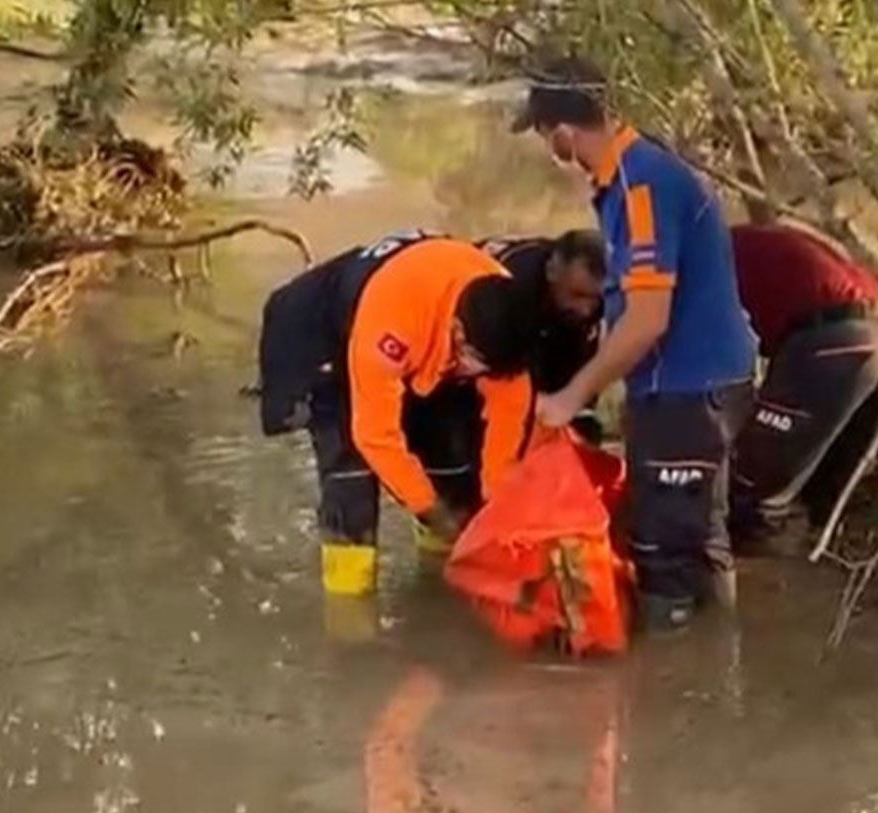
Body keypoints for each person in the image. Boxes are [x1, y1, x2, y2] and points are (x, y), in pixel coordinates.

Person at [512, 56, 758, 633]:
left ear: (565, 132)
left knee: (664, 555)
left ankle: (675, 701)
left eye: (547, 134)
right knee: (700, 540)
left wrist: (574, 395)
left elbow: (648, 318)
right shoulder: (633, 175)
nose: (550, 146)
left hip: (689, 388)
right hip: (694, 384)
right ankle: (721, 687)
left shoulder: (639, 184)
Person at [258, 230, 537, 597]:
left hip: (427, 336)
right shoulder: (393, 321)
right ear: (458, 334)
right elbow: (376, 435)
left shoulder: (507, 327)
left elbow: (504, 442)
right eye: (478, 366)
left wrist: (498, 524)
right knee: (351, 483)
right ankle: (350, 623)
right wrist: (430, 509)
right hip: (325, 337)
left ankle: (443, 591)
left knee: (454, 475)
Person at [728, 223, 878, 547]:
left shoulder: (702, 259)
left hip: (832, 338)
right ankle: (829, 542)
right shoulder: (756, 240)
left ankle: (769, 556)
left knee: (754, 486)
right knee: (836, 465)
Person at [475, 229, 608, 442]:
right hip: (474, 333)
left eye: (595, 298)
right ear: (552, 272)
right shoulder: (508, 286)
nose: (586, 309)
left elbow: (577, 380)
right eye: (577, 295)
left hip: (544, 321)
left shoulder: (591, 306)